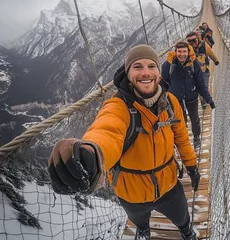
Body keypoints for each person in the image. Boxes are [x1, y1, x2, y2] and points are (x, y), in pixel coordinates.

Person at [48, 44, 201, 240]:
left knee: (182, 217)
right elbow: (107, 130)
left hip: (168, 184)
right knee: (140, 219)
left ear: (159, 72)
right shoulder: (118, 106)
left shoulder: (171, 103)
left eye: (151, 66)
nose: (146, 72)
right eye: (137, 66)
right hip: (131, 193)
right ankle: (144, 229)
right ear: (128, 73)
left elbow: (181, 137)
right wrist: (93, 154)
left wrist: (192, 165)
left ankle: (186, 231)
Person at [161, 41, 215, 149]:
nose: (182, 54)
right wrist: (162, 100)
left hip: (192, 97)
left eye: (184, 51)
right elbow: (163, 84)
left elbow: (200, 84)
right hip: (175, 99)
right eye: (179, 51)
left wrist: (209, 100)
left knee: (195, 118)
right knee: (180, 121)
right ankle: (183, 140)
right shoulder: (168, 65)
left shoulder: (194, 63)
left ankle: (196, 138)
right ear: (175, 52)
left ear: (188, 52)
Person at [186, 31, 219, 108]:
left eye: (194, 40)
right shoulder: (186, 49)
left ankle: (204, 103)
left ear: (197, 38)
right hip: (192, 73)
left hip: (204, 71)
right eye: (189, 41)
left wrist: (216, 60)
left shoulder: (204, 45)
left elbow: (210, 53)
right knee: (193, 90)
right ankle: (196, 103)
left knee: (204, 88)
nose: (192, 43)